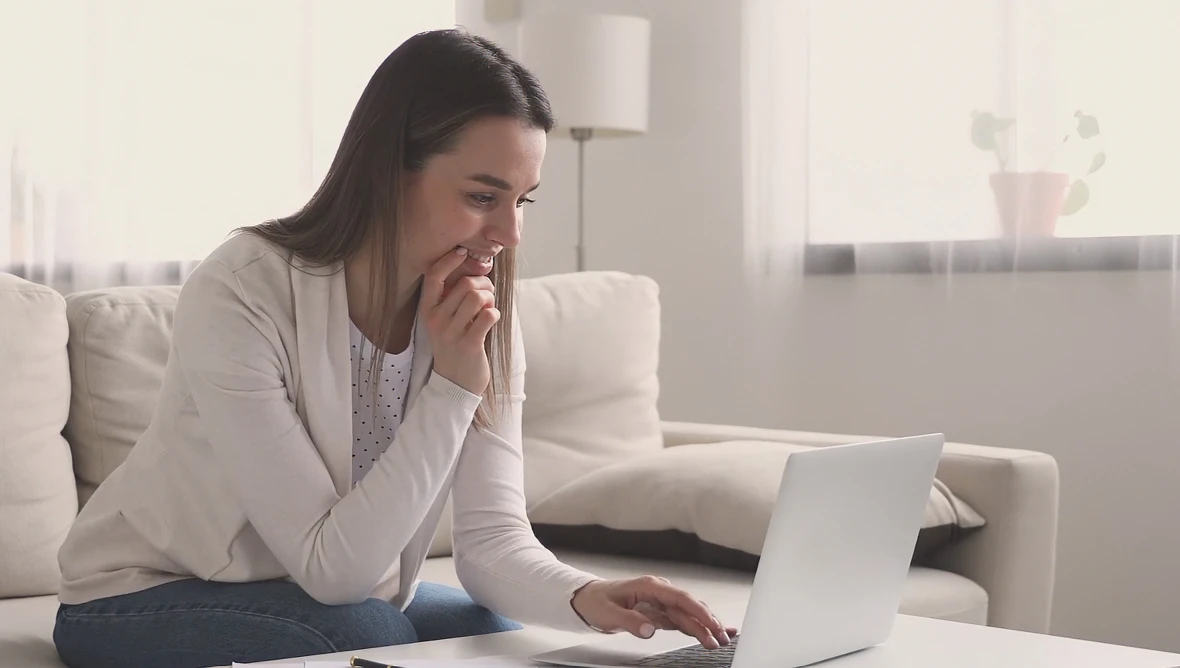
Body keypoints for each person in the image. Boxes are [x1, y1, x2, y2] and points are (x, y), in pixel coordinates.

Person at [51, 29, 736, 668]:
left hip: (315, 592)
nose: (509, 234)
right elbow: (334, 571)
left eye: (523, 201)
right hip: (138, 595)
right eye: (481, 196)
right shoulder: (241, 291)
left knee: (491, 630)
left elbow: (493, 542)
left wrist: (589, 594)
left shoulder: (483, 307)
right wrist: (455, 388)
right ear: (389, 170)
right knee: (366, 635)